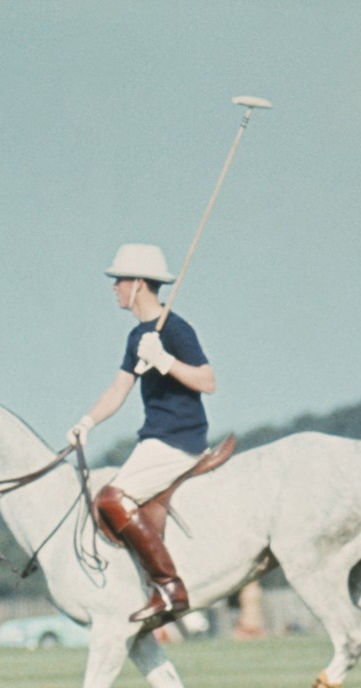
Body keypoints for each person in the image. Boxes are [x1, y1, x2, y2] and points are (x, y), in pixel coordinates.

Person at [66, 243, 215, 624]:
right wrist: (87, 422)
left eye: (119, 280)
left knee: (112, 498)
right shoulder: (137, 338)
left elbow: (207, 381)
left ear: (139, 285)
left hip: (180, 438)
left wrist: (166, 361)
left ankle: (169, 586)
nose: (114, 286)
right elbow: (118, 390)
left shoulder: (176, 329)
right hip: (155, 437)